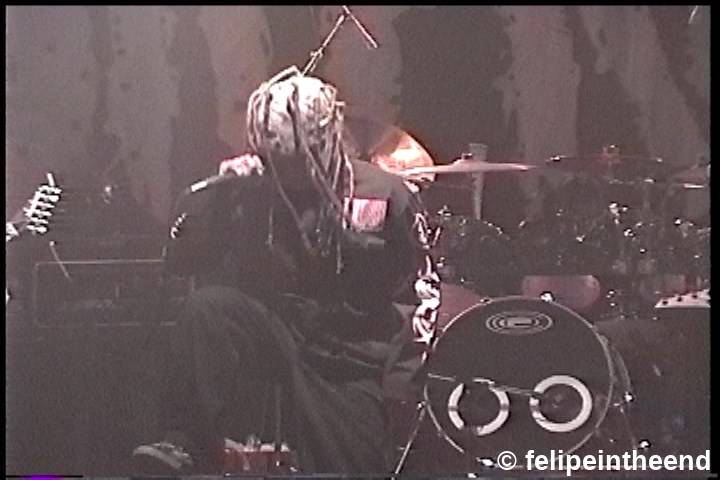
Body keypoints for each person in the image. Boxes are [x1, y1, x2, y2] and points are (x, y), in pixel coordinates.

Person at [132, 66, 435, 475]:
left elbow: (417, 296)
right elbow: (186, 261)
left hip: (354, 357)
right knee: (208, 308)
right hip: (283, 333)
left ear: (327, 139)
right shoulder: (255, 190)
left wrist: (401, 383)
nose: (289, 174)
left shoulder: (384, 194)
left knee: (355, 465)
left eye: (296, 161)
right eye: (278, 162)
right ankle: (185, 440)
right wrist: (221, 197)